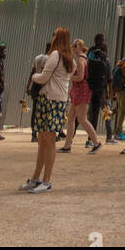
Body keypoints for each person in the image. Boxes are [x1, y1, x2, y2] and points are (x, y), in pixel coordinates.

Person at [20, 27, 74, 194]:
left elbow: (43, 77)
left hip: (48, 99)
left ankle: (45, 180)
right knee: (45, 139)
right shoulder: (68, 58)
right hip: (58, 100)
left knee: (46, 140)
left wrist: (35, 76)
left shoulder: (56, 55)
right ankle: (37, 178)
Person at [60, 39, 102, 154]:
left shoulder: (80, 60)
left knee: (82, 119)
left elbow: (81, 77)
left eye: (75, 46)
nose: (73, 48)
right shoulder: (83, 58)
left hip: (81, 91)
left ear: (81, 47)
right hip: (78, 91)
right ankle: (67, 146)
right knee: (71, 119)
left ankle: (96, 143)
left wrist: (68, 77)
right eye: (72, 46)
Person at [87, 34, 112, 144]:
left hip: (90, 88)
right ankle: (109, 136)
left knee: (91, 113)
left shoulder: (90, 55)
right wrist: (109, 93)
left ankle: (89, 139)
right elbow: (109, 78)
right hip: (102, 90)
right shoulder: (106, 59)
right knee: (106, 112)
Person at [25, 41, 51, 144]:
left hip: (35, 85)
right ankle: (43, 133)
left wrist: (28, 86)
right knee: (45, 111)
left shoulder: (37, 58)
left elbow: (32, 72)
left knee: (35, 110)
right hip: (43, 85)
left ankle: (33, 134)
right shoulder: (50, 59)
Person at [112, 55, 125, 140]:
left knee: (120, 110)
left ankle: (118, 131)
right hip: (123, 91)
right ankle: (118, 132)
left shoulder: (119, 64)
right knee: (122, 111)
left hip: (118, 91)